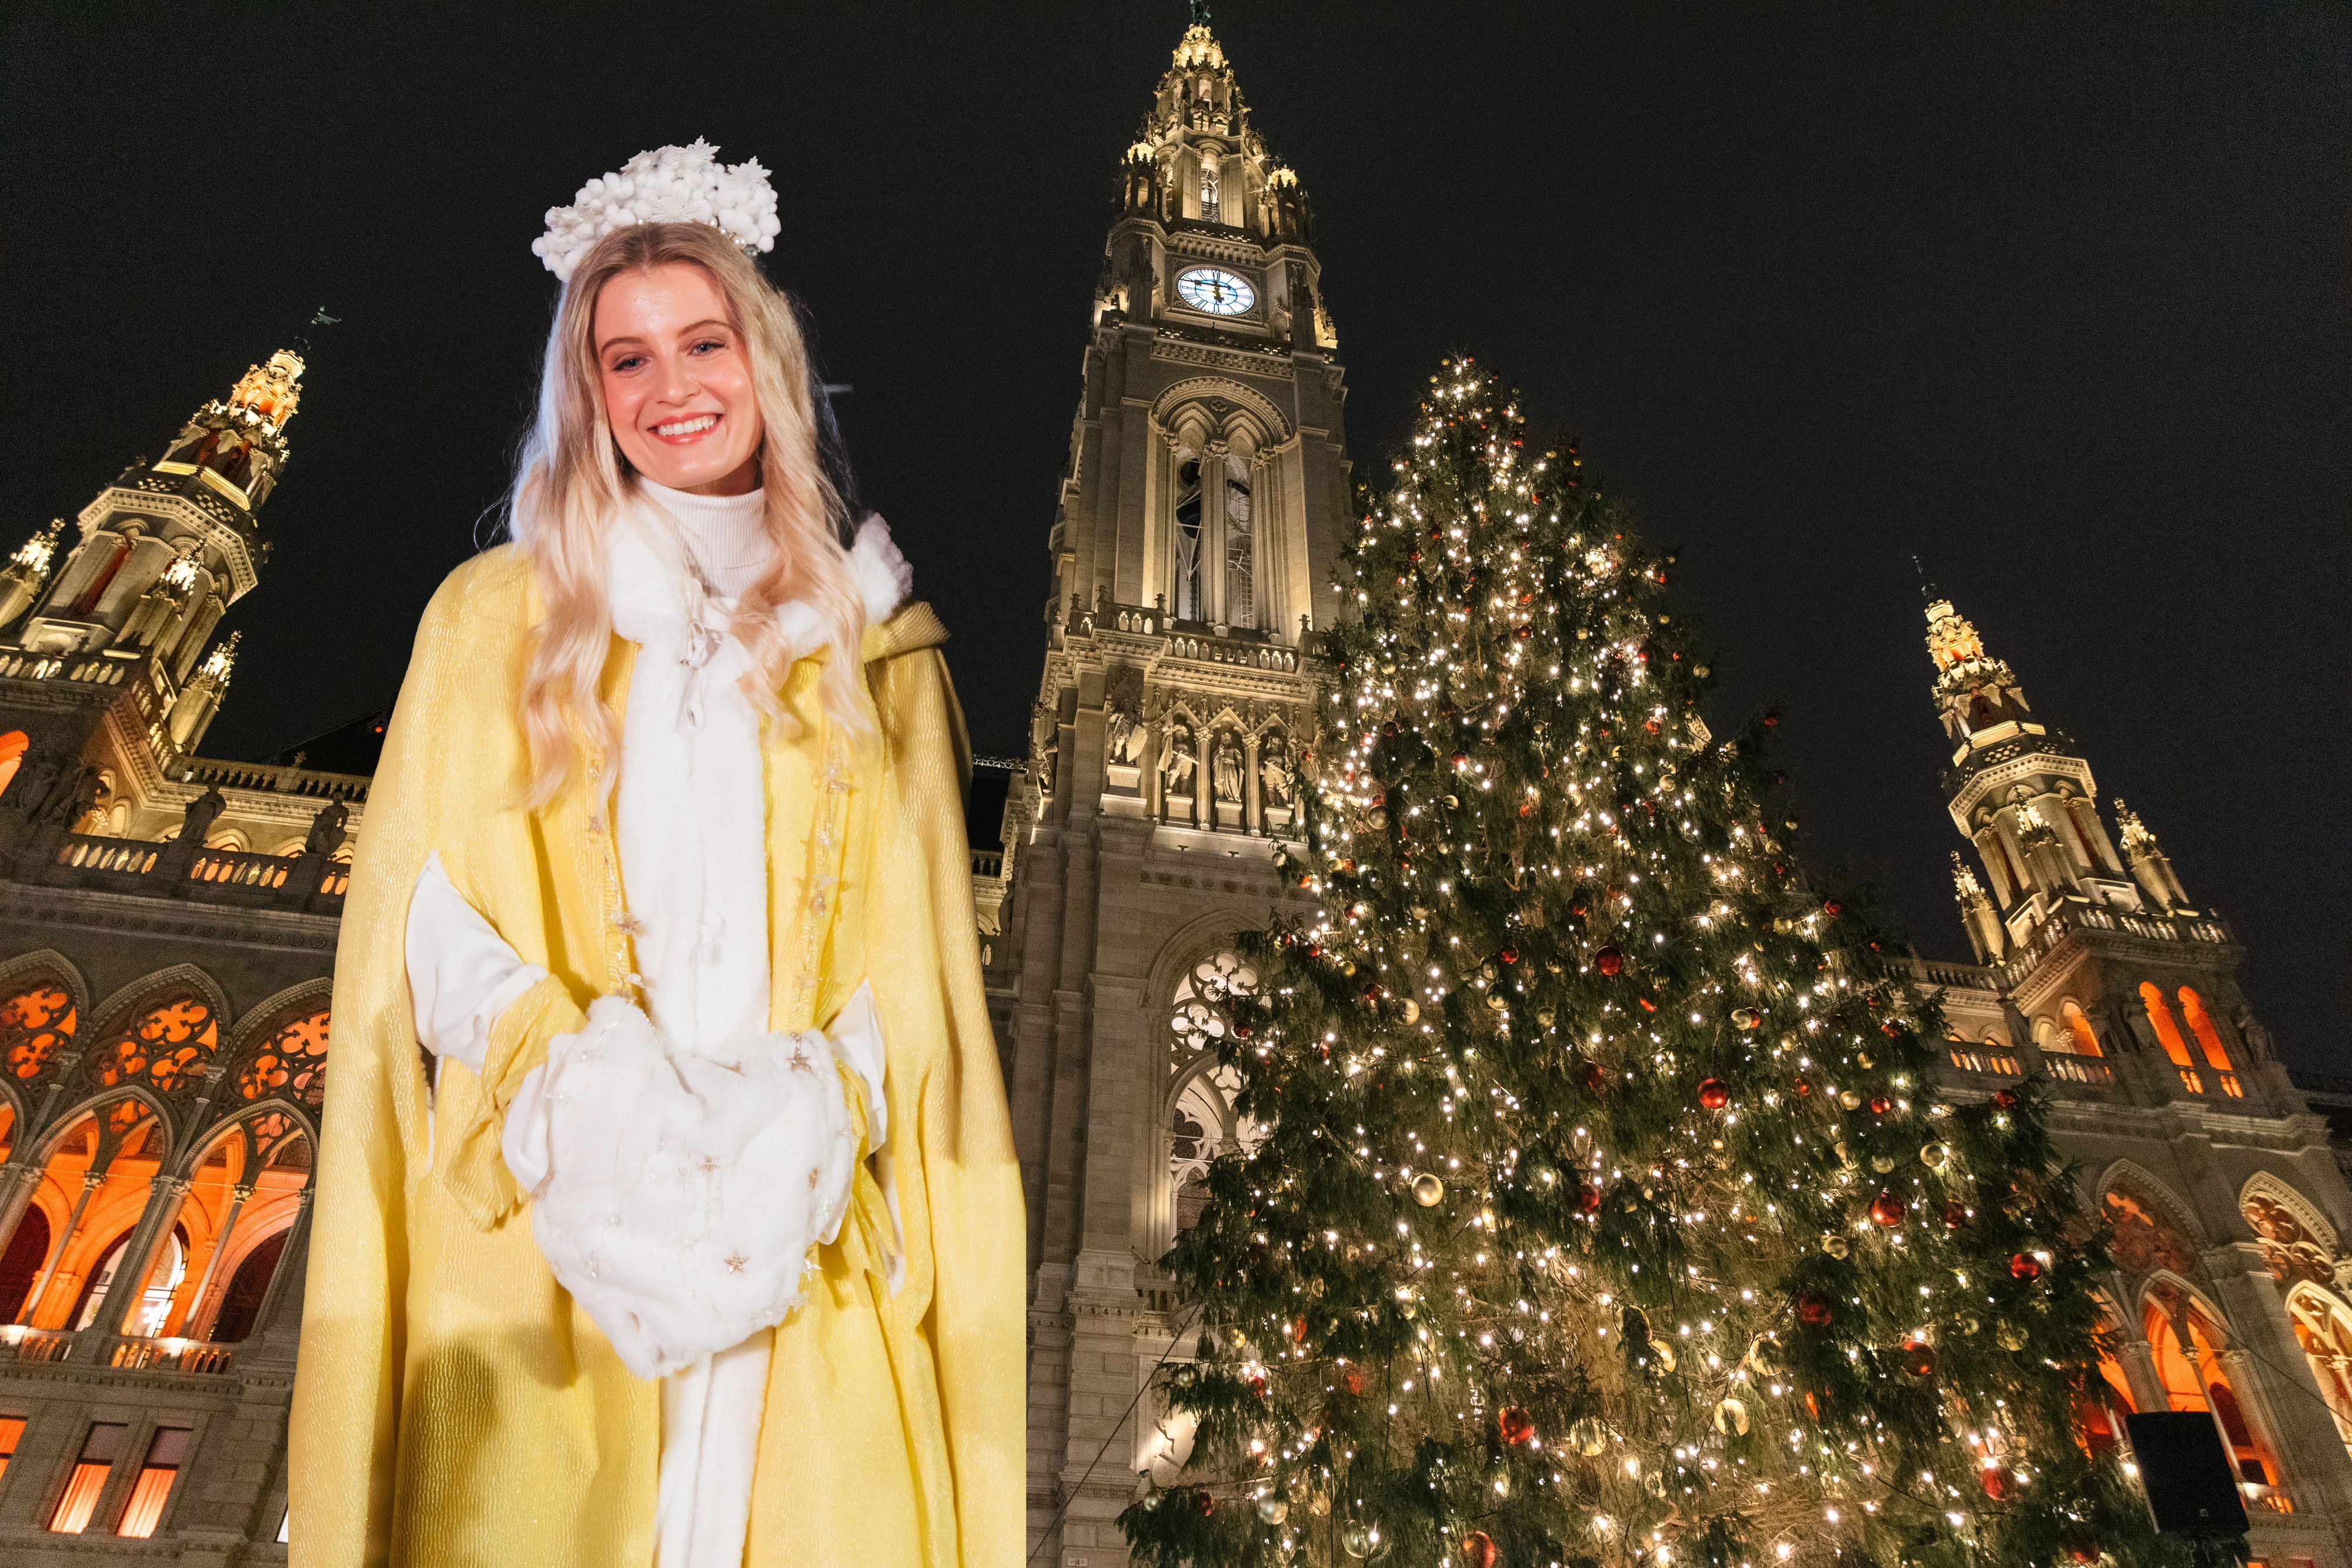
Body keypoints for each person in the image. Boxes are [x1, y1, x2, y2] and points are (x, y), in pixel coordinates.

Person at [289, 141, 1023, 1567]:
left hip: (798, 1249)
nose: (671, 387)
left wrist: (798, 1125)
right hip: (548, 1238)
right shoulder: (496, 616)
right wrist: (579, 1099)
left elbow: (916, 971)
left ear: (767, 357)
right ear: (591, 392)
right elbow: (428, 915)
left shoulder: (881, 658)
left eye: (703, 341)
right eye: (627, 360)